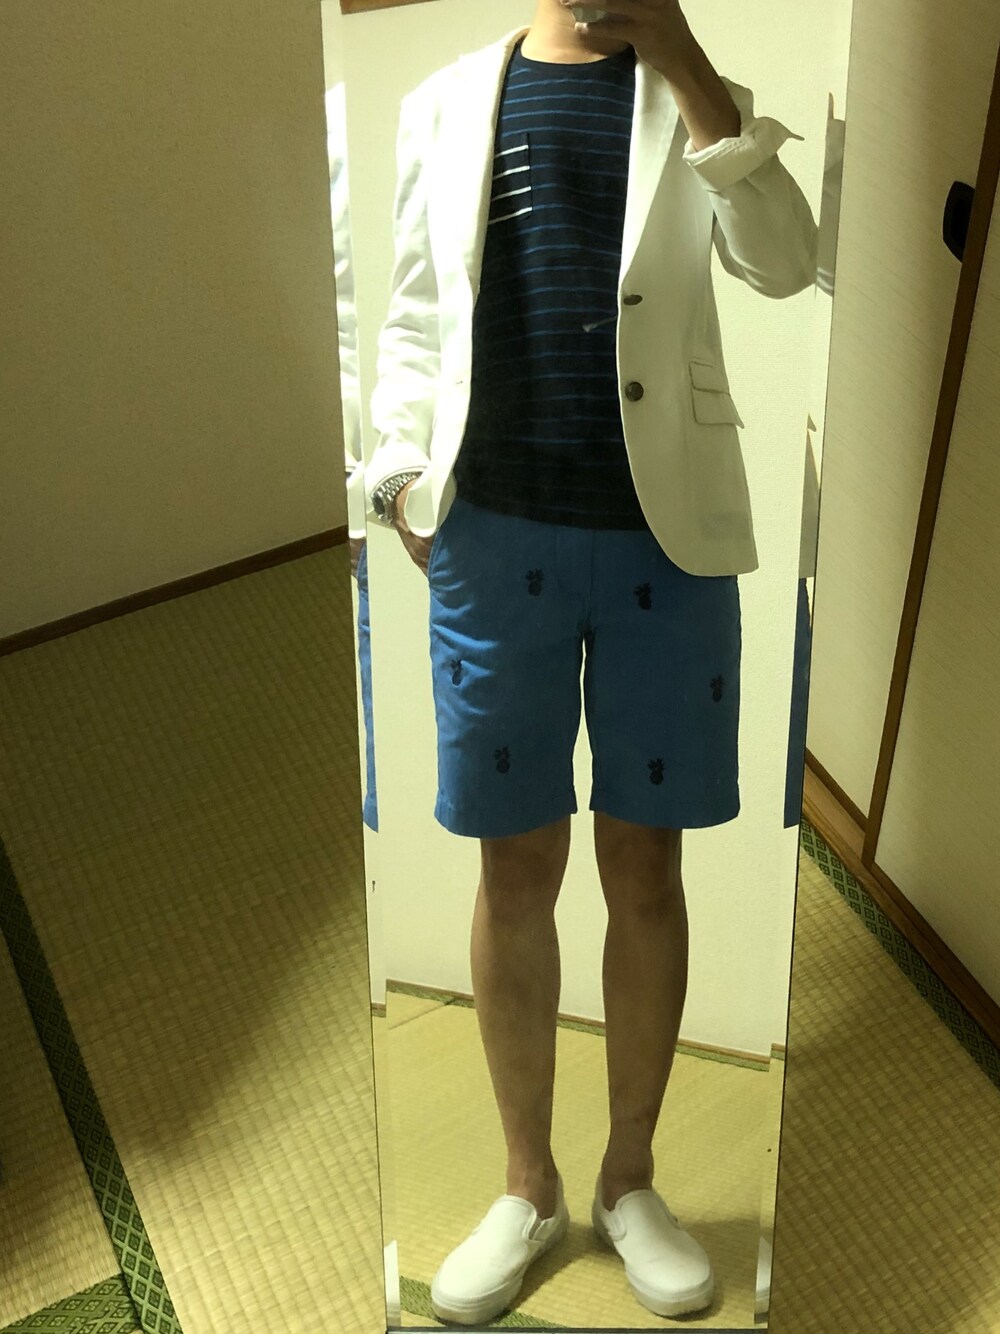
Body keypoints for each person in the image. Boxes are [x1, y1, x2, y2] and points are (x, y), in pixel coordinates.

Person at [365, 0, 818, 1322]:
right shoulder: (448, 99)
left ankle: (630, 1177)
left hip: (664, 545)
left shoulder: (694, 91)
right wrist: (393, 480)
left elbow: (786, 262)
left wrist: (685, 60)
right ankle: (527, 1185)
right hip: (491, 534)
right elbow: (412, 314)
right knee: (513, 869)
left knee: (645, 866)